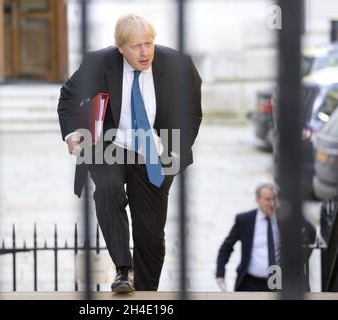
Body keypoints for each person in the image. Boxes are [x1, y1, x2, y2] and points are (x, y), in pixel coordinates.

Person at [57, 13, 202, 292]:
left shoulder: (178, 65)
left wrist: (176, 153)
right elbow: (68, 96)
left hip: (153, 151)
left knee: (150, 236)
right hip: (110, 145)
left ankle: (146, 294)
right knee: (108, 189)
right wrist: (73, 133)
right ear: (119, 47)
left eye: (149, 43)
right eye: (136, 46)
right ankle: (124, 269)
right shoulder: (99, 63)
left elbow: (192, 113)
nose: (145, 52)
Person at [215, 183, 316, 292]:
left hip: (278, 280)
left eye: (274, 199)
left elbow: (310, 232)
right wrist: (220, 273)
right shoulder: (244, 220)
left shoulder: (285, 218)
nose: (272, 203)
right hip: (250, 282)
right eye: (267, 200)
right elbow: (227, 247)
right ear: (258, 200)